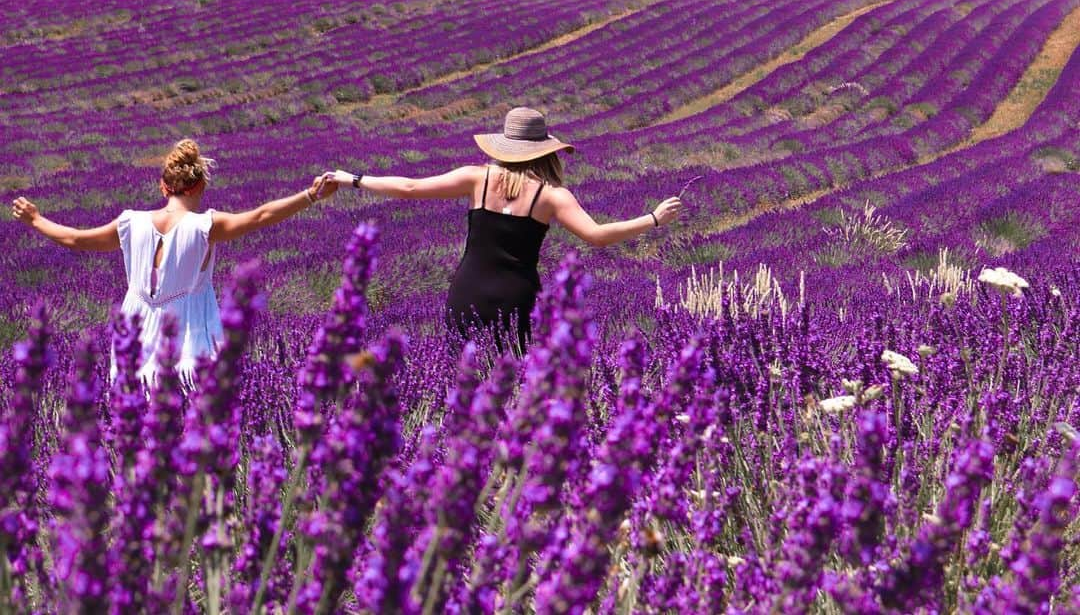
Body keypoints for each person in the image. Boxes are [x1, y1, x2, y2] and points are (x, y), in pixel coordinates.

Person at [332, 106, 682, 351]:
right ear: (546, 150)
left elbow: (409, 188)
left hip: (466, 292)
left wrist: (354, 179)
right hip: (517, 298)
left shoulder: (476, 178)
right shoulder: (552, 196)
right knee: (513, 384)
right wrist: (652, 219)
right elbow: (598, 236)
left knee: (465, 382)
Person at [11, 138, 336, 386]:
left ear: (163, 186)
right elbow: (261, 215)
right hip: (188, 331)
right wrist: (309, 196)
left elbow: (75, 239)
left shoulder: (129, 222)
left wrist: (36, 219)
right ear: (200, 185)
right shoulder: (207, 226)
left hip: (134, 331)